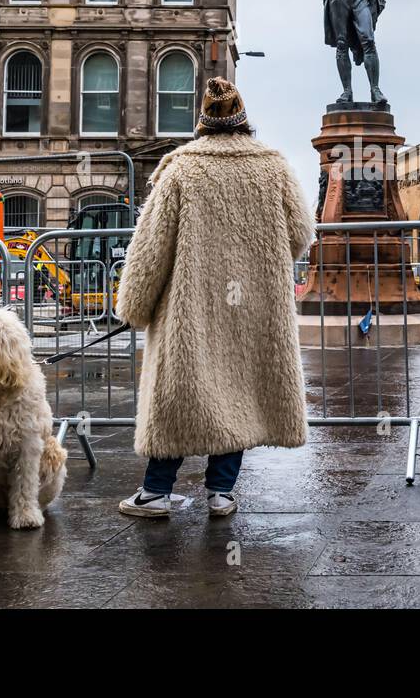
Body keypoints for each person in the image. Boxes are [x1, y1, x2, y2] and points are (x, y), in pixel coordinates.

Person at [114, 77, 314, 519]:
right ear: (245, 122)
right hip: (253, 305)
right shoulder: (273, 168)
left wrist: (134, 305)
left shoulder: (181, 170)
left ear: (202, 123)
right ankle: (221, 492)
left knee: (177, 393)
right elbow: (300, 232)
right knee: (240, 391)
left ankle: (156, 491)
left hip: (191, 305)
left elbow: (151, 248)